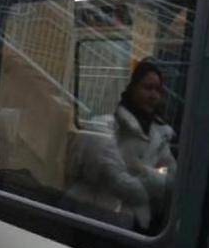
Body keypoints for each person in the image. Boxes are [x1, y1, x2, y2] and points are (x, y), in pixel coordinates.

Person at [64, 59, 177, 231]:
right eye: (147, 88)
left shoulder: (159, 135)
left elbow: (171, 179)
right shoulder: (103, 125)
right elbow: (115, 179)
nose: (154, 95)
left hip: (131, 225)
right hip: (90, 217)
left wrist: (143, 171)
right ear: (131, 87)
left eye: (158, 90)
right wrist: (150, 180)